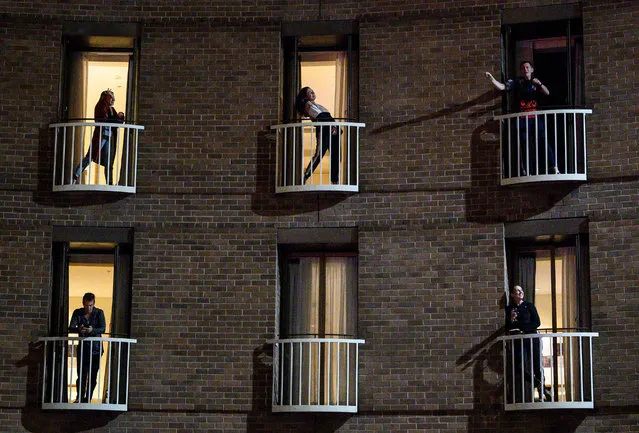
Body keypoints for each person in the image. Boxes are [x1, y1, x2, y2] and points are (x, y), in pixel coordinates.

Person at [486, 61, 560, 176]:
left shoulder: (535, 82)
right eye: (523, 68)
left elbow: (547, 93)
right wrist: (492, 79)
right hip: (523, 119)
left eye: (527, 67)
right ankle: (527, 171)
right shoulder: (517, 82)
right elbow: (503, 87)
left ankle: (554, 166)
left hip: (535, 118)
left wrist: (539, 84)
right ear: (521, 71)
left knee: (543, 141)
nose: (525, 69)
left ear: (531, 69)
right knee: (525, 144)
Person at [505, 285, 548, 402]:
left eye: (521, 290)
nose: (520, 292)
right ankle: (537, 383)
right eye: (516, 291)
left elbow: (537, 322)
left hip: (532, 337)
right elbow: (508, 326)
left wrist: (524, 329)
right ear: (513, 295)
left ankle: (542, 394)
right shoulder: (510, 309)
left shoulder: (529, 305)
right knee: (518, 366)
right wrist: (512, 319)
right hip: (519, 340)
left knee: (536, 366)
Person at [73, 89, 125, 185]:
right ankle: (75, 176)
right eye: (111, 96)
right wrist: (114, 120)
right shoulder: (100, 106)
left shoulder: (111, 109)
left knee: (109, 162)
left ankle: (109, 183)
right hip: (101, 135)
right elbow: (103, 119)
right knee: (90, 157)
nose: (113, 99)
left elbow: (117, 121)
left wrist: (120, 116)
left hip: (109, 137)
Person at [295, 87, 340, 184]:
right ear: (305, 96)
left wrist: (335, 128)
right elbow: (319, 117)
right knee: (319, 155)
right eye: (309, 92)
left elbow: (329, 117)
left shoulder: (318, 105)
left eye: (313, 91)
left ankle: (334, 180)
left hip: (332, 129)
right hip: (323, 129)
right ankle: (305, 176)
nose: (312, 93)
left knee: (336, 155)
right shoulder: (308, 104)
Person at [69, 292, 106, 403]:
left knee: (93, 376)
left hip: (95, 349)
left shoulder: (99, 313)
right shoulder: (78, 312)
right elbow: (71, 327)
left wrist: (92, 330)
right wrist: (79, 329)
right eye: (86, 305)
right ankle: (79, 397)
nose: (88, 308)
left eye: (90, 305)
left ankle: (87, 398)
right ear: (83, 304)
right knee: (81, 374)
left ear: (94, 304)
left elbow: (102, 328)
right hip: (83, 349)